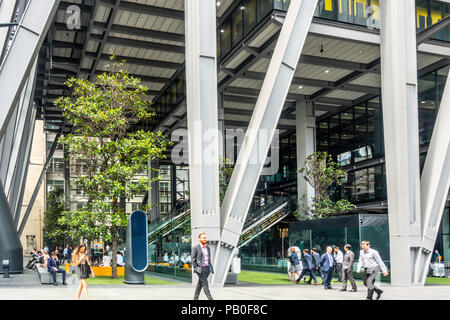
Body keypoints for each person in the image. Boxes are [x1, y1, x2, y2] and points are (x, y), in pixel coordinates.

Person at [191, 233, 214, 300]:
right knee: (205, 284)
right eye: (203, 237)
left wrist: (210, 268)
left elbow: (208, 259)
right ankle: (210, 298)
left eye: (205, 237)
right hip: (200, 269)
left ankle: (195, 298)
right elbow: (193, 259)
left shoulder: (208, 248)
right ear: (199, 238)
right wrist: (196, 268)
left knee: (200, 284)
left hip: (207, 269)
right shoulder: (195, 248)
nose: (205, 239)